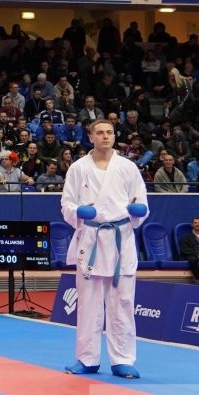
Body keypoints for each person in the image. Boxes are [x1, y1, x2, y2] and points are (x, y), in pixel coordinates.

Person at [60, 117, 149, 378]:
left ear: (114, 136)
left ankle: (122, 359)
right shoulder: (78, 168)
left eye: (109, 132)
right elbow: (66, 204)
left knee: (122, 302)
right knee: (88, 303)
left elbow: (141, 201)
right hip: (91, 236)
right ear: (91, 137)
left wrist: (138, 212)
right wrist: (79, 211)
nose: (105, 136)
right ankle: (87, 358)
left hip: (121, 238)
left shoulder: (128, 167)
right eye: (99, 132)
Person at [177, 216, 199, 284]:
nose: (197, 224)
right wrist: (198, 255)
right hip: (193, 255)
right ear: (192, 225)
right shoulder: (186, 237)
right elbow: (185, 249)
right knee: (192, 259)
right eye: (195, 223)